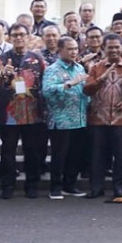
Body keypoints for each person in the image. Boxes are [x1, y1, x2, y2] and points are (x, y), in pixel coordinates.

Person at [0, 24, 47, 199]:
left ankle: (31, 185)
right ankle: (7, 185)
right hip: (9, 115)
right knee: (8, 151)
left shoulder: (36, 59)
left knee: (32, 151)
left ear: (28, 36)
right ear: (9, 37)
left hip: (33, 113)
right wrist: (2, 74)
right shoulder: (1, 59)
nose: (18, 38)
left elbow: (45, 81)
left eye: (22, 34)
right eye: (14, 35)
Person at [84, 34, 122, 199]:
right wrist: (101, 79)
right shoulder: (96, 67)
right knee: (97, 156)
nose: (113, 50)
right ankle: (96, 187)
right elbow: (87, 89)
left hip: (121, 118)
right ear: (104, 48)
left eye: (116, 47)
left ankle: (119, 187)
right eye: (109, 47)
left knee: (120, 155)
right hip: (98, 119)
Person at [42, 36, 90, 199]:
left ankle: (70, 185)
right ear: (60, 50)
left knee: (76, 154)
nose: (74, 52)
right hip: (61, 121)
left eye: (76, 49)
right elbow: (47, 91)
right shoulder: (52, 69)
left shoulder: (79, 68)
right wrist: (68, 84)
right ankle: (55, 187)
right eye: (70, 49)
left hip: (80, 118)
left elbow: (84, 88)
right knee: (60, 155)